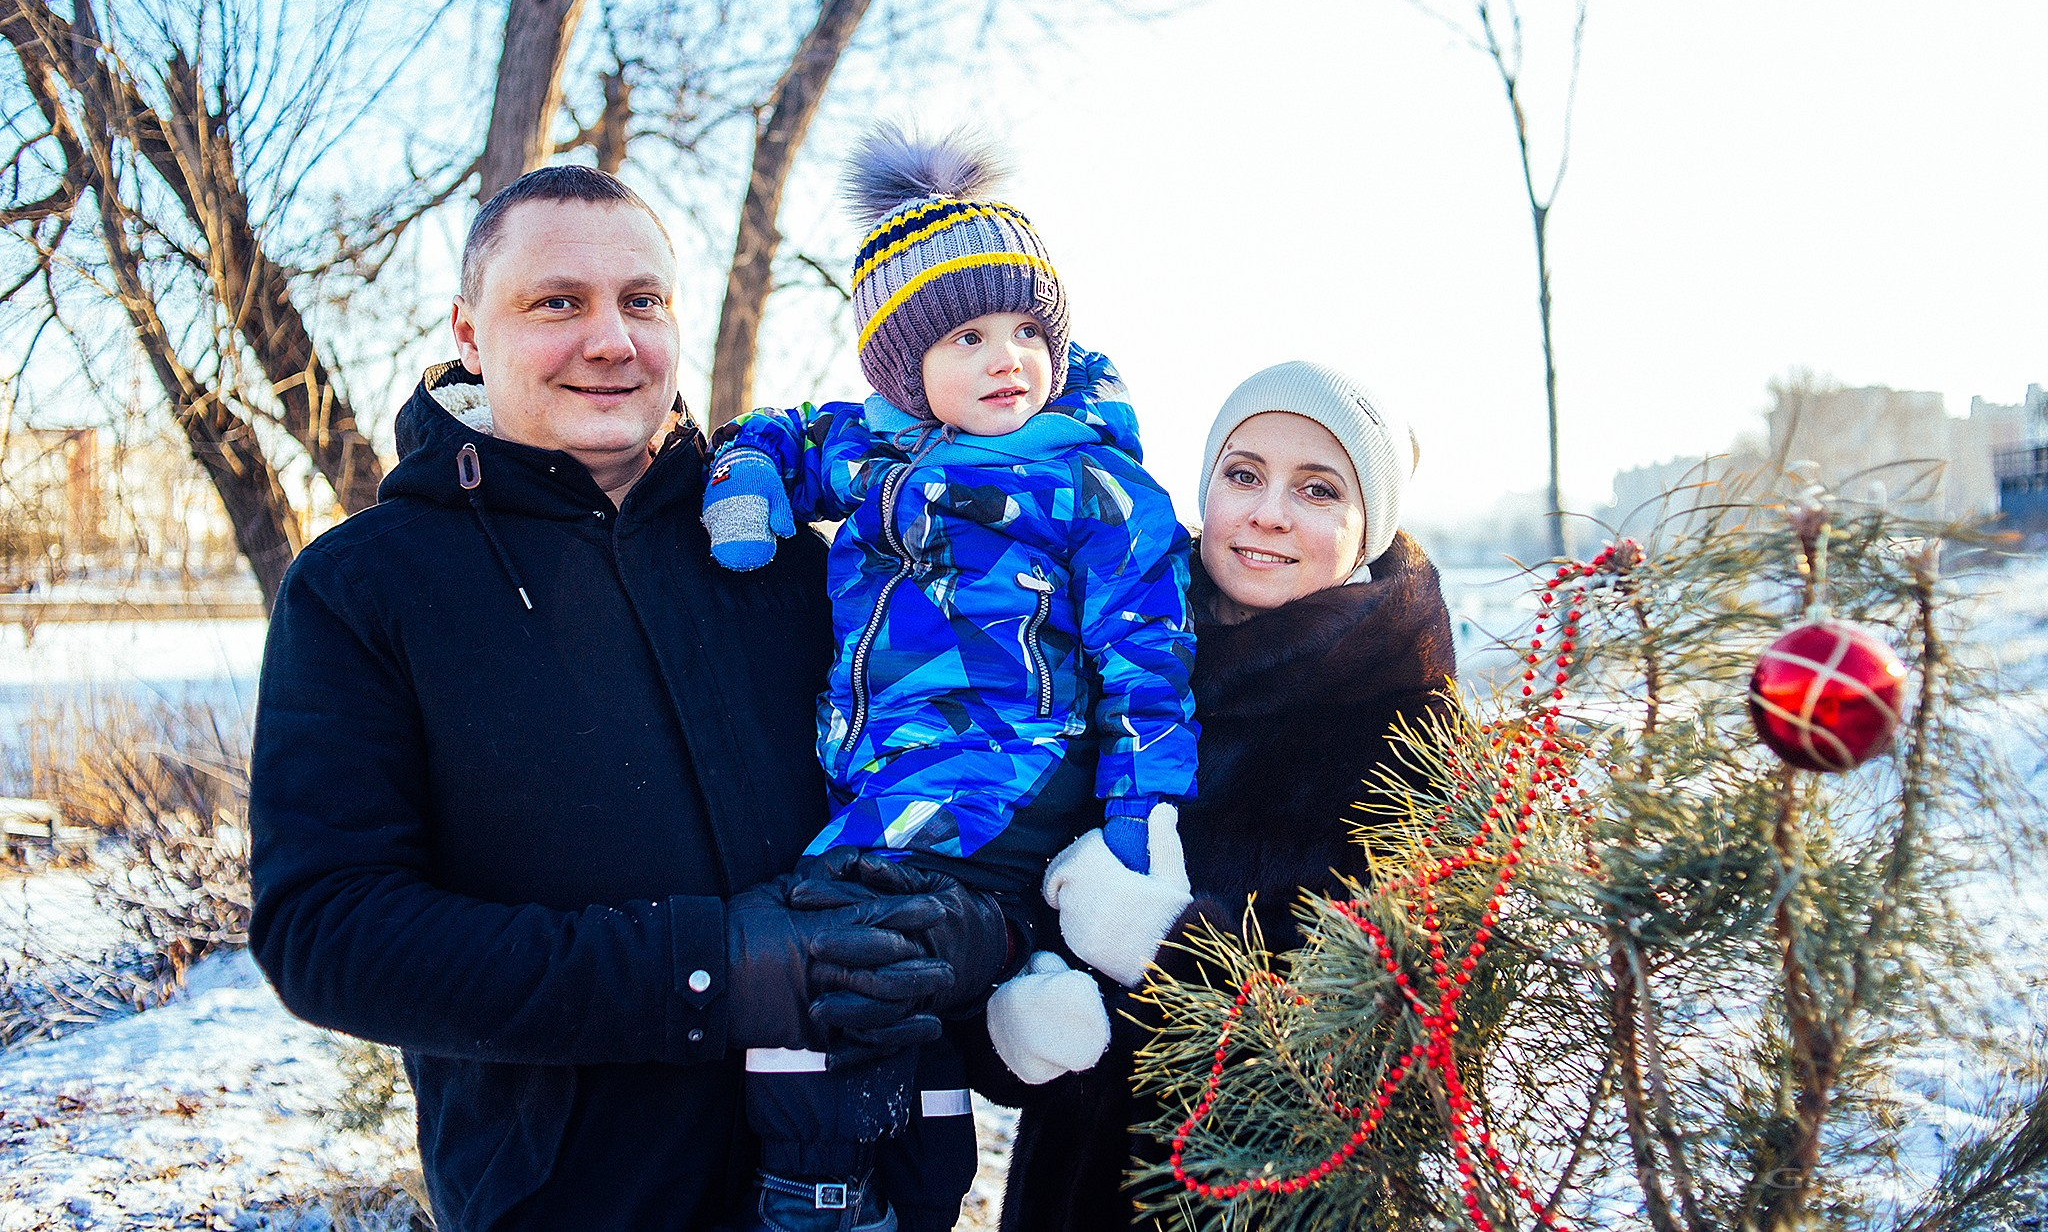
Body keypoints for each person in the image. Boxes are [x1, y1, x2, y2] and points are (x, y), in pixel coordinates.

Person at [246, 165, 1009, 1232]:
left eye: (641, 301)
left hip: (863, 1180)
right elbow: (329, 932)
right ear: (470, 332)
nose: (611, 339)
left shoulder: (797, 560)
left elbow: (974, 769)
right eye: (557, 302)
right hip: (571, 1198)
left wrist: (976, 934)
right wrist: (709, 973)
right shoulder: (363, 588)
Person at [699, 127, 1200, 1231]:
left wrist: (1136, 825)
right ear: (904, 369)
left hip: (1001, 784)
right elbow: (774, 433)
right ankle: (919, 1137)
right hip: (884, 791)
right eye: (967, 335)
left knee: (839, 949)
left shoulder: (1090, 483)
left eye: (1028, 329)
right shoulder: (878, 454)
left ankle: (823, 1192)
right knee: (865, 970)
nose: (1006, 356)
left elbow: (1147, 664)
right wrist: (742, 481)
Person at [980, 360, 1460, 1231]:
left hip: (1272, 1204)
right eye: (1243, 474)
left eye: (1318, 488)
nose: (1268, 510)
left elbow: (1396, 1038)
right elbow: (1030, 877)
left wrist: (1161, 946)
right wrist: (1022, 1009)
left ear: (1368, 527)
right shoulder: (1125, 665)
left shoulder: (1407, 725)